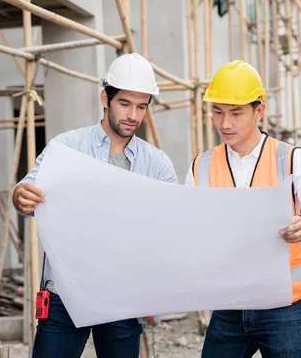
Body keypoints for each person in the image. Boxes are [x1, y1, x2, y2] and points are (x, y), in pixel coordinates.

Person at [13, 53, 178, 358]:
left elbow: (167, 233)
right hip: (65, 292)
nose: (133, 115)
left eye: (141, 106)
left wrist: (158, 292)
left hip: (123, 296)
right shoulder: (67, 147)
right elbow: (27, 193)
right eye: (125, 104)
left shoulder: (157, 165)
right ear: (105, 98)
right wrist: (21, 195)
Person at [186, 60, 301, 358]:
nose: (225, 123)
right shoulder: (201, 166)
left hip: (284, 309)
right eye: (217, 112)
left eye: (236, 113)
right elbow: (187, 226)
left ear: (259, 111)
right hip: (229, 307)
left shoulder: (289, 158)